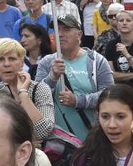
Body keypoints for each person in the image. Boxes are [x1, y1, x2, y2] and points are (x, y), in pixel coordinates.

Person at [35, 14, 114, 142]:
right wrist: (52, 77)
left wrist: (77, 101)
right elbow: (37, 98)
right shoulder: (47, 62)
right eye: (57, 29)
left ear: (79, 34)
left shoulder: (96, 61)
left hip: (92, 139)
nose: (60, 34)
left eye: (66, 29)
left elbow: (109, 95)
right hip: (59, 143)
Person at [0, 38, 54, 144]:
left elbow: (43, 132)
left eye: (12, 59)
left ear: (22, 63)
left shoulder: (40, 89)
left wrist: (23, 94)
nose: (6, 64)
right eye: (0, 59)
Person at [102, 9, 133, 87]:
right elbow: (111, 75)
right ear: (117, 24)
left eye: (128, 20)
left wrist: (127, 55)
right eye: (121, 20)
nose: (124, 23)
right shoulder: (111, 45)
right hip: (119, 89)